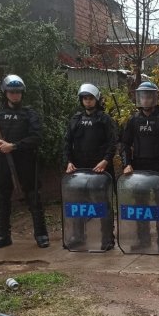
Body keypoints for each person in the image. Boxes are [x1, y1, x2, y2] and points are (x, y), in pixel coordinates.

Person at [0, 74, 49, 250]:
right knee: (1, 198)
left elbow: (36, 137)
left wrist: (13, 146)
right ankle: (3, 236)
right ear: (5, 93)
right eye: (12, 92)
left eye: (18, 92)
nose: (15, 95)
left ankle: (41, 234)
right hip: (2, 161)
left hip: (25, 161)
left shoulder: (29, 114)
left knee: (33, 197)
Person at [120, 81, 159, 254]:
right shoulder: (133, 120)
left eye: (148, 96)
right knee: (141, 206)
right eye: (143, 96)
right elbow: (124, 144)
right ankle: (143, 240)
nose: (145, 99)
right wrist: (126, 164)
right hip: (138, 168)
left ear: (154, 98)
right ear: (139, 98)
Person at [63, 83, 118, 250]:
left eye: (91, 98)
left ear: (96, 99)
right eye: (85, 98)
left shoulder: (105, 119)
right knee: (78, 204)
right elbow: (67, 143)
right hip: (80, 170)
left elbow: (113, 142)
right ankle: (78, 236)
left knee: (103, 203)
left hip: (101, 169)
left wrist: (106, 161)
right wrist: (68, 161)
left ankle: (106, 237)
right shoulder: (76, 119)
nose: (88, 101)